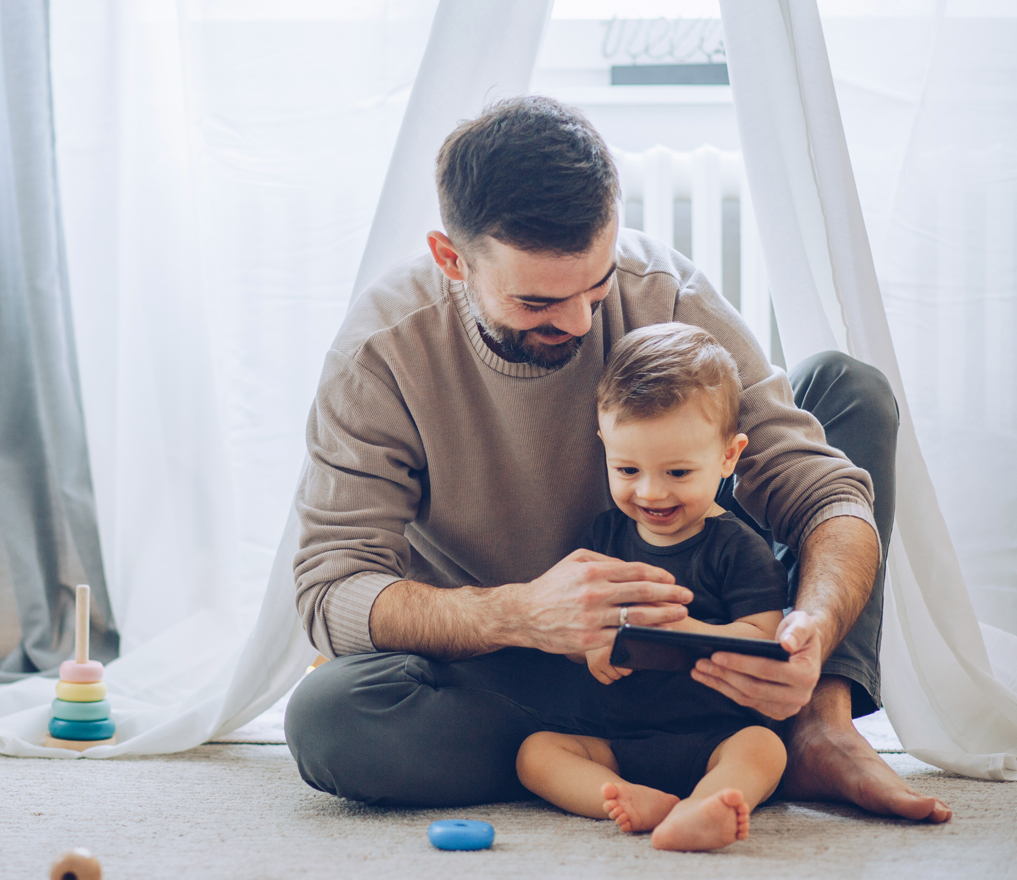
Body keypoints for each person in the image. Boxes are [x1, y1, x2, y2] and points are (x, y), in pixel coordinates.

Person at [285, 96, 950, 824]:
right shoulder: (381, 353)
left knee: (849, 390)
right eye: (538, 301)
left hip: (709, 654)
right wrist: (522, 613)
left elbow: (824, 495)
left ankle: (817, 724)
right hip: (526, 674)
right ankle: (649, 754)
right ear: (452, 259)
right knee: (330, 720)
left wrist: (812, 631)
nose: (578, 322)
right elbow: (331, 589)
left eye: (596, 287)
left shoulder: (665, 293)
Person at [516, 323, 790, 852]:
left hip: (716, 734)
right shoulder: (604, 537)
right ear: (604, 445)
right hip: (617, 740)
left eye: (679, 472)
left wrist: (690, 633)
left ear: (728, 457)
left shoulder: (738, 548)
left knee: (764, 750)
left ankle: (708, 804)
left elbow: (766, 643)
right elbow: (575, 623)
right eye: (627, 468)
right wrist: (590, 647)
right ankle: (633, 799)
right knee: (536, 753)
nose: (650, 491)